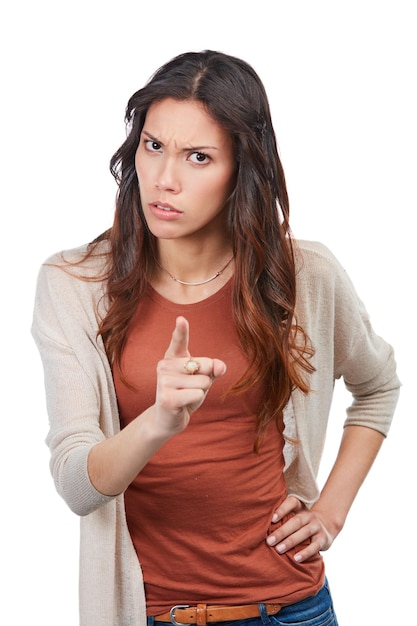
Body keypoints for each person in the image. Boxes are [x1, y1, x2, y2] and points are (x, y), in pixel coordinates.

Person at [31, 50, 400, 626]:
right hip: (152, 613)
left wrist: (330, 511)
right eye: (153, 146)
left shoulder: (305, 277)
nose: (164, 178)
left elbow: (378, 387)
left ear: (242, 170)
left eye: (198, 157)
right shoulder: (74, 284)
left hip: (291, 608)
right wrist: (158, 421)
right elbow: (77, 486)